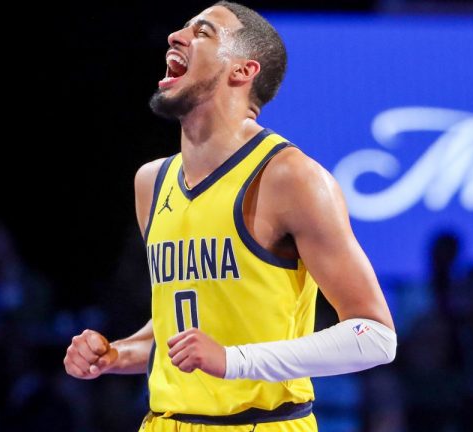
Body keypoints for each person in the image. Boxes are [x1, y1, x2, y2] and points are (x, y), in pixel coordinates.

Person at [63, 2, 397, 431]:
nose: (176, 37)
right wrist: (117, 353)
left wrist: (233, 361)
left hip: (263, 422)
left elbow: (375, 335)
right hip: (164, 421)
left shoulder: (290, 177)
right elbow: (184, 322)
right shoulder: (151, 182)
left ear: (242, 71)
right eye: (182, 28)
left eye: (202, 33)